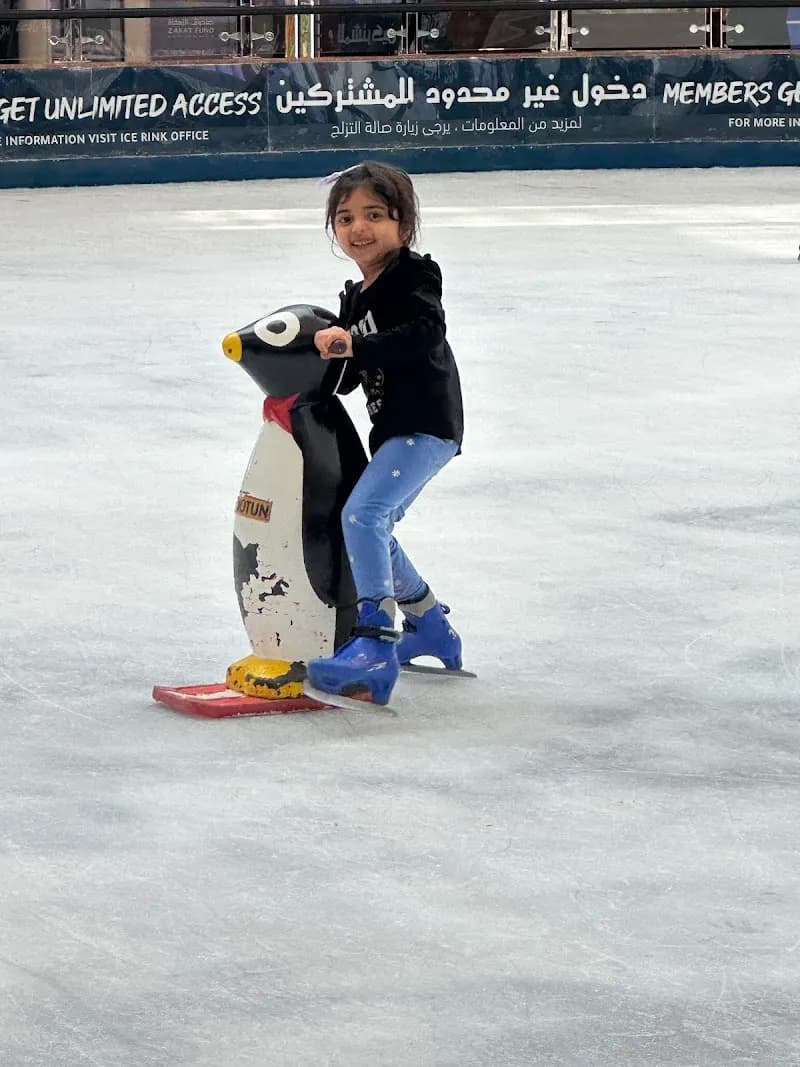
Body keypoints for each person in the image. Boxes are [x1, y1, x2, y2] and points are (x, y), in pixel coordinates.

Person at [306, 161, 464, 706]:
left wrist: (354, 345)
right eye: (345, 217)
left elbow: (424, 334)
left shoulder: (415, 276)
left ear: (404, 225)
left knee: (363, 515)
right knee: (376, 526)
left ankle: (374, 642)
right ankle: (430, 627)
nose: (359, 228)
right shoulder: (356, 297)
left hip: (426, 423)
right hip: (396, 431)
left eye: (375, 214)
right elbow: (352, 377)